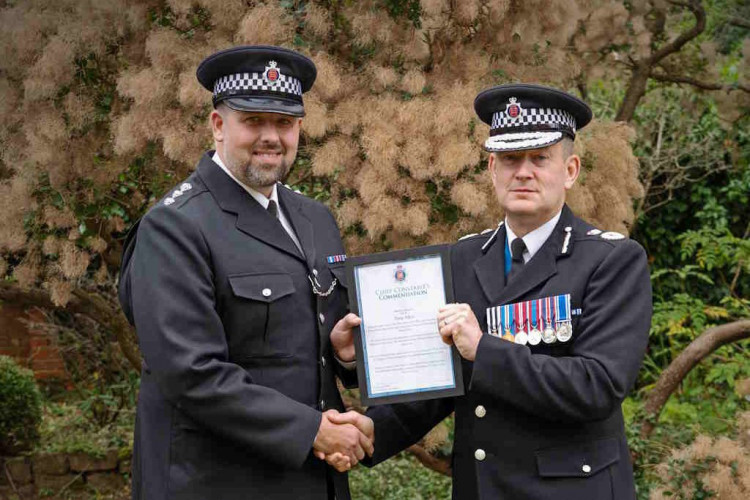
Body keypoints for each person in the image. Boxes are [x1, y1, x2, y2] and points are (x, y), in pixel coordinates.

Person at [328, 84, 652, 499]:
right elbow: (442, 376)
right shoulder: (464, 257)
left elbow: (598, 386)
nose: (523, 172)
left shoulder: (611, 261)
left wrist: (484, 349)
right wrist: (372, 427)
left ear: (570, 170)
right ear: (491, 169)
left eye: (539, 158)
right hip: (482, 489)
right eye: (511, 159)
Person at [117, 45, 373, 500]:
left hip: (311, 481)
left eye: (284, 123)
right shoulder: (175, 226)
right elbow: (191, 373)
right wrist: (312, 430)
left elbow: (310, 344)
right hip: (215, 480)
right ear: (218, 125)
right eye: (253, 121)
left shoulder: (314, 219)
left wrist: (343, 354)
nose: (271, 136)